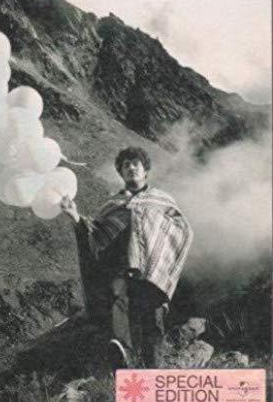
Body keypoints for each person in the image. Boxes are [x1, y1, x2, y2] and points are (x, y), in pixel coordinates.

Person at [60, 146, 193, 370]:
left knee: (153, 320)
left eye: (136, 164)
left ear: (145, 170)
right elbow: (96, 234)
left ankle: (153, 373)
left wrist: (162, 254)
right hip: (120, 268)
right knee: (118, 304)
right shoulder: (113, 205)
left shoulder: (162, 200)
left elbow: (182, 229)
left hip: (152, 271)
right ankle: (123, 356)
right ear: (121, 173)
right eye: (125, 165)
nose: (131, 167)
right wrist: (75, 216)